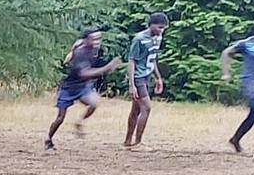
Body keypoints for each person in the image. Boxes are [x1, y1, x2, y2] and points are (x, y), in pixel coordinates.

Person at [45, 27, 120, 151]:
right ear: (86, 40)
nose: (97, 41)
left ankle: (79, 122)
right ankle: (48, 138)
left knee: (94, 103)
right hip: (69, 88)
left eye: (98, 38)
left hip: (82, 86)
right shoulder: (81, 52)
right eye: (94, 39)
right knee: (60, 118)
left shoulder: (92, 49)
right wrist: (106, 68)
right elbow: (84, 73)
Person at [221, 15, 254, 153]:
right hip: (251, 82)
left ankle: (235, 139)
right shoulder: (247, 44)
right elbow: (226, 53)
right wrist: (226, 72)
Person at [124, 13, 168, 149]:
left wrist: (158, 77)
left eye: (164, 28)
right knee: (146, 108)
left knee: (136, 110)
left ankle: (127, 141)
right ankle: (138, 142)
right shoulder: (139, 39)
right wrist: (132, 85)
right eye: (159, 27)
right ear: (151, 25)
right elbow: (131, 61)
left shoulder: (158, 38)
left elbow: (152, 58)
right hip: (138, 77)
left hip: (147, 75)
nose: (161, 31)